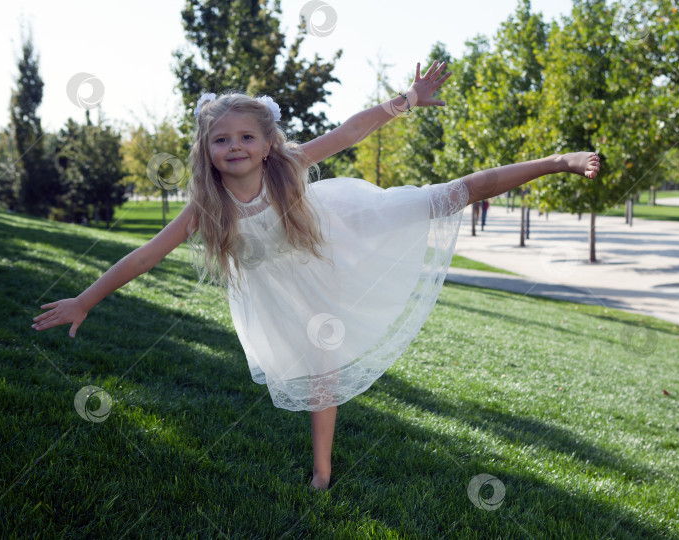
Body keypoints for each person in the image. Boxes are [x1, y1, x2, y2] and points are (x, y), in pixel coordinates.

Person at [30, 61, 600, 491]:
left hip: (340, 234)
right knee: (322, 374)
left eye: (246, 136)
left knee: (451, 195)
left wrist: (407, 100)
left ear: (267, 142)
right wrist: (86, 298)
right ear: (206, 149)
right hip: (282, 291)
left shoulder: (289, 164)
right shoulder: (206, 208)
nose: (235, 146)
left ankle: (556, 161)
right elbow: (145, 256)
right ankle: (322, 473)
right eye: (222, 139)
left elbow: (350, 132)